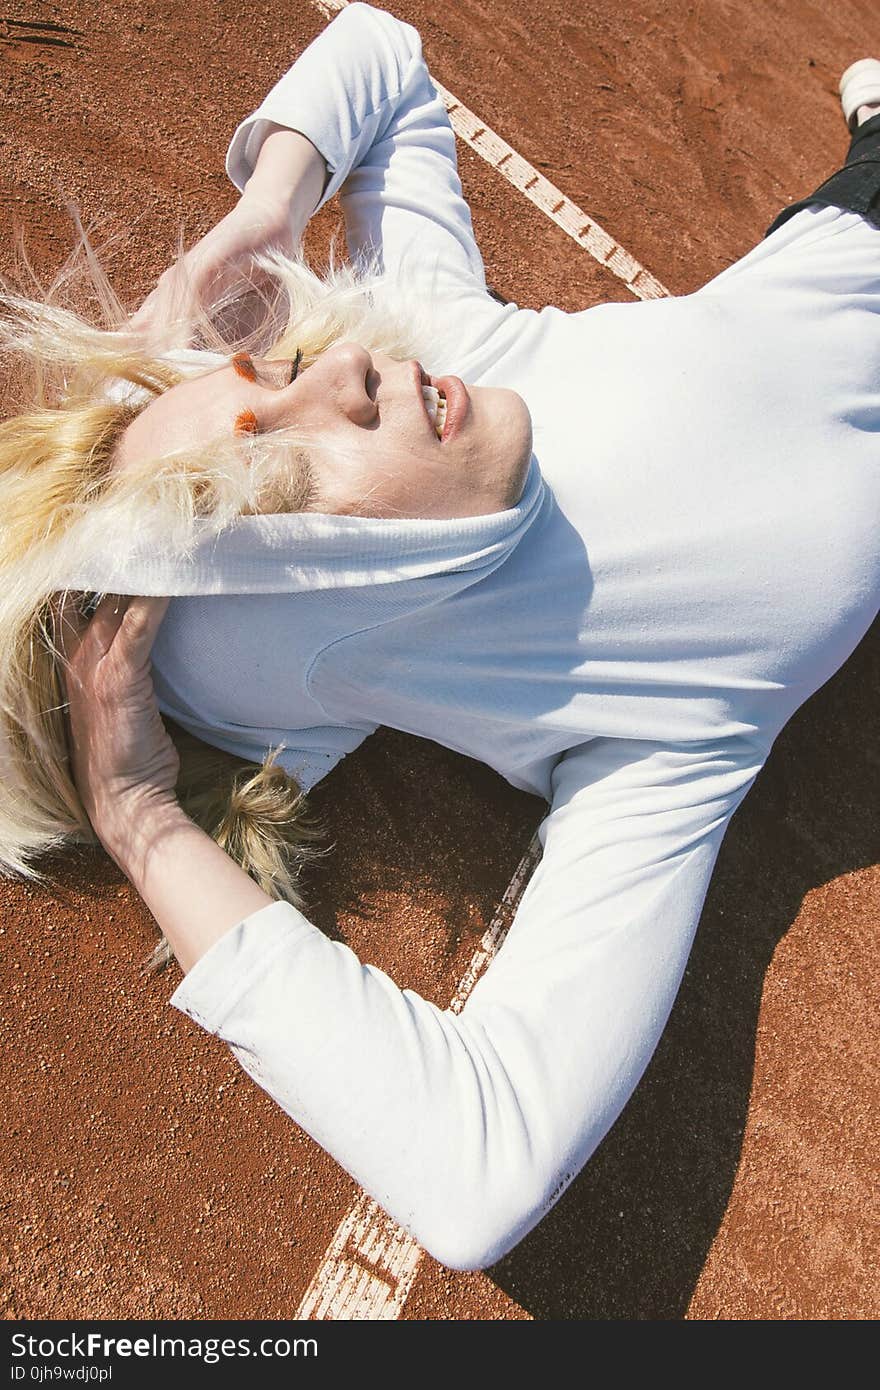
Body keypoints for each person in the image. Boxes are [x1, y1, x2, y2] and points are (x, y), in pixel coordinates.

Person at [4, 5, 879, 1271]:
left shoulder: (441, 354)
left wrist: (267, 206)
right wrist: (143, 817)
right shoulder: (648, 738)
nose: (343, 369)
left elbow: (384, 54)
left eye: (274, 371)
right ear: (333, 614)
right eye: (285, 476)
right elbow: (482, 1170)